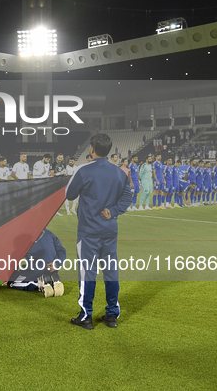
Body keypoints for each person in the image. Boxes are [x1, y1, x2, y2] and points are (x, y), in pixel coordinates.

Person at [66, 133, 131, 329]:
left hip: (88, 232)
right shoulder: (120, 172)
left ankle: (86, 317)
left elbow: (69, 194)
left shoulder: (83, 170)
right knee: (111, 272)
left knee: (88, 273)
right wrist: (112, 212)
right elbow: (128, 197)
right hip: (109, 231)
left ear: (92, 149)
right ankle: (111, 315)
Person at [6, 229, 66, 298]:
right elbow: (62, 251)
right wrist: (56, 264)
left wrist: (9, 277)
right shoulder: (49, 233)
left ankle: (39, 283)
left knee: (12, 283)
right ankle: (52, 279)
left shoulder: (23, 236)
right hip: (52, 269)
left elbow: (16, 259)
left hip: (36, 271)